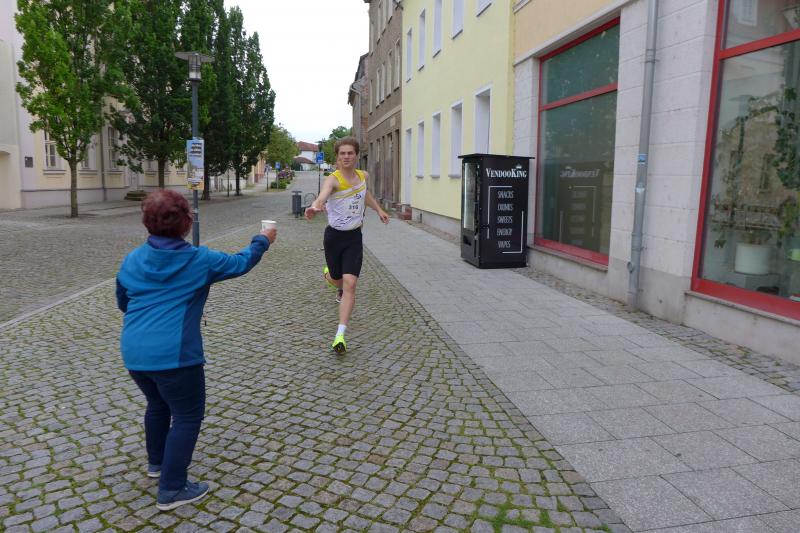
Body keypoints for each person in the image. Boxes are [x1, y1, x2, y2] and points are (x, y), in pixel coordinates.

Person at [115, 189, 276, 511]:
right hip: (175, 357)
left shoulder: (131, 259)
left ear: (147, 222)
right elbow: (241, 262)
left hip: (134, 353)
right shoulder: (199, 260)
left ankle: (157, 463)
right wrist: (263, 239)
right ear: (186, 223)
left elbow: (123, 302)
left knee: (157, 405)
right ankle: (172, 488)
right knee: (187, 416)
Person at [305, 136, 389, 353]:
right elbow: (322, 196)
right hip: (334, 237)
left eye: (350, 153)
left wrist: (379, 210)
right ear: (337, 157)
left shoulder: (363, 176)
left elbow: (365, 193)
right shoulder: (333, 180)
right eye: (342, 153)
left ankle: (340, 335)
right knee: (337, 279)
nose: (346, 157)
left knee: (350, 283)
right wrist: (315, 206)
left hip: (354, 237)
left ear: (356, 155)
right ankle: (330, 277)